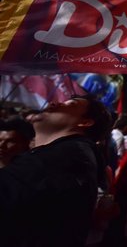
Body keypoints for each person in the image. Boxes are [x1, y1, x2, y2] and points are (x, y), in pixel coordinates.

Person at [0, 95, 111, 247]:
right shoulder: (69, 154)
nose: (53, 103)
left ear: (85, 122)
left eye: (71, 104)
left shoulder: (68, 156)